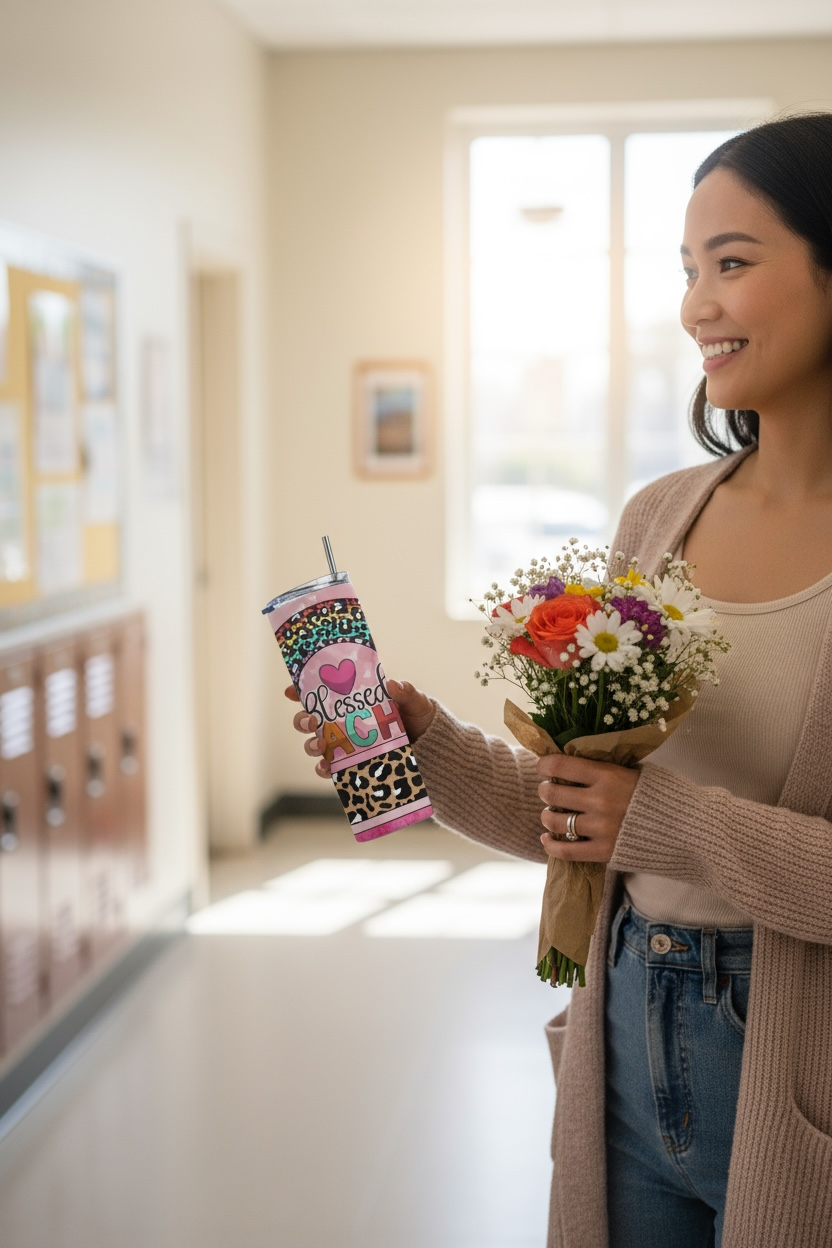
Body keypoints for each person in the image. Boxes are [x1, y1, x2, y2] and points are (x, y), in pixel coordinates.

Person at [288, 113, 832, 1248]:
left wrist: (669, 823)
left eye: (732, 263)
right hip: (623, 1031)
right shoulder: (660, 518)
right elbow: (579, 815)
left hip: (796, 1080)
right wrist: (424, 741)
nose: (696, 306)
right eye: (687, 271)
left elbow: (650, 818)